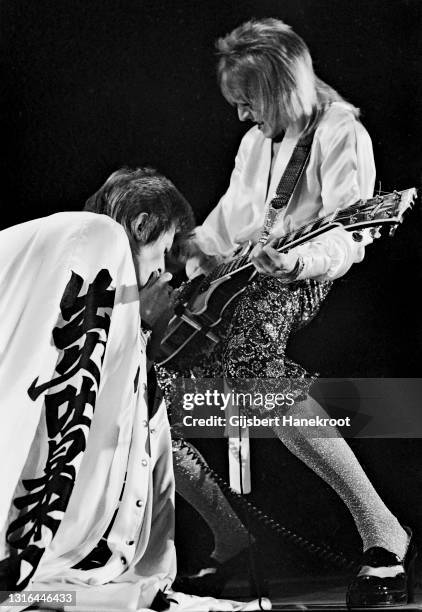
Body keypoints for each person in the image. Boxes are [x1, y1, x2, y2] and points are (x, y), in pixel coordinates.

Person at [184, 18, 416, 609]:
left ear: (282, 86)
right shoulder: (255, 142)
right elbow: (227, 224)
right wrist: (187, 261)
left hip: (296, 277)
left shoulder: (341, 133)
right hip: (241, 279)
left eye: (248, 102)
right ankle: (231, 538)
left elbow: (351, 236)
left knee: (256, 371)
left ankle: (383, 532)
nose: (240, 116)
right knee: (155, 380)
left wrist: (295, 266)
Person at [0, 167, 270, 612]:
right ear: (143, 225)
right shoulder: (97, 236)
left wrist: (137, 325)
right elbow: (74, 375)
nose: (163, 270)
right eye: (163, 251)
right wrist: (139, 316)